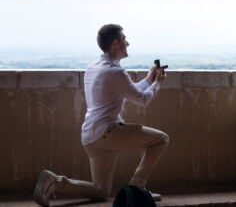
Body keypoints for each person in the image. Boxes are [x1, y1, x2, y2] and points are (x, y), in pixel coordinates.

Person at [33, 24, 169, 206]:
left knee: (100, 191)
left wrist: (149, 79)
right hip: (108, 132)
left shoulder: (95, 67)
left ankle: (55, 182)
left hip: (91, 136)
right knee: (161, 140)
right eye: (124, 39)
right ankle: (137, 189)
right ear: (115, 44)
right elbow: (142, 100)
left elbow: (130, 91)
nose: (128, 43)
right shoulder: (115, 72)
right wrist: (157, 83)